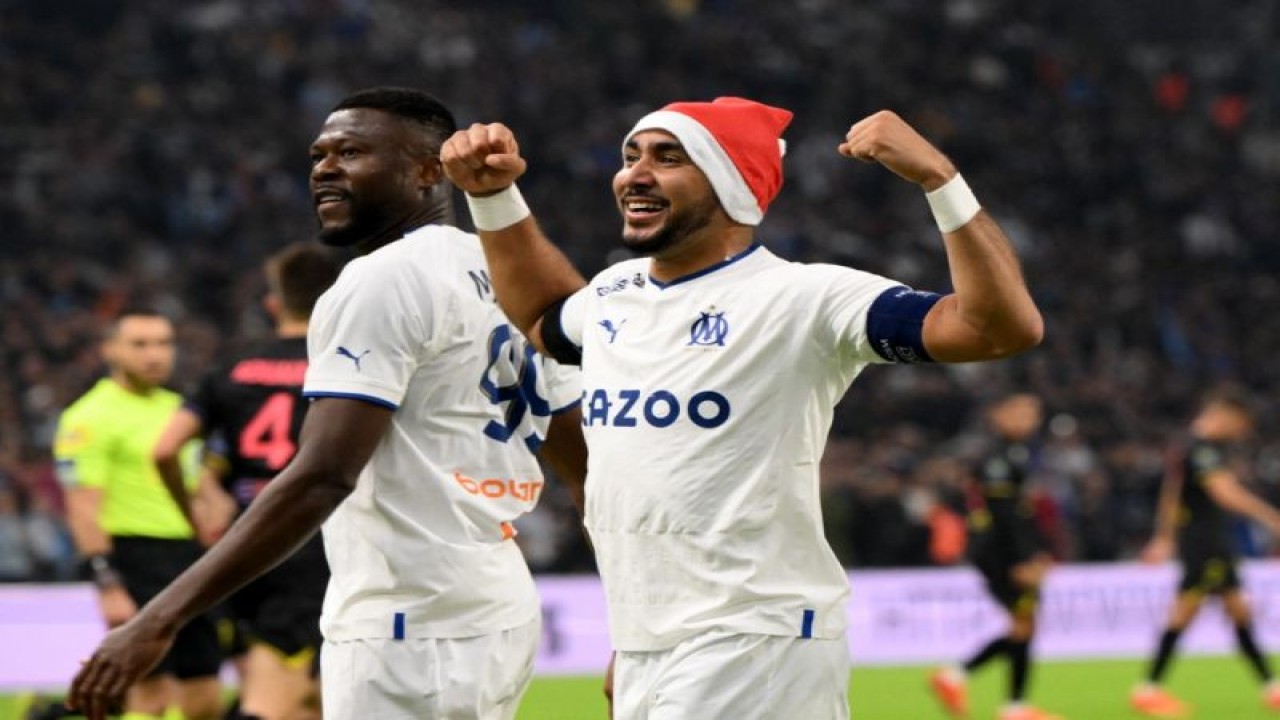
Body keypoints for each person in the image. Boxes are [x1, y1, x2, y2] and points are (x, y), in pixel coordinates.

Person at [441, 98, 1044, 719]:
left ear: (730, 181)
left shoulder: (803, 298)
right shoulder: (613, 295)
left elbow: (996, 329)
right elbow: (542, 318)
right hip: (652, 640)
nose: (635, 173)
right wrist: (493, 198)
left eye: (668, 157)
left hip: (756, 642)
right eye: (631, 156)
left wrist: (939, 180)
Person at [68, 87, 587, 720]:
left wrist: (159, 618)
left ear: (429, 171)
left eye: (353, 151)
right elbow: (580, 454)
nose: (324, 167)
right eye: (319, 154)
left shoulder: (383, 279)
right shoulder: (506, 270)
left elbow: (322, 476)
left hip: (407, 614)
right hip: (495, 598)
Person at [151, 242, 341, 720]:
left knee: (282, 683)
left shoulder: (230, 370)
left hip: (248, 540)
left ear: (273, 303)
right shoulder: (343, 367)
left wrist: (193, 510)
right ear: (335, 299)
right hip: (320, 539)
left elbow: (166, 449)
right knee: (302, 691)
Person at [54, 308, 224, 720]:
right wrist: (107, 583)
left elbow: (198, 481)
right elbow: (82, 508)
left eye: (164, 344)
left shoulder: (179, 409)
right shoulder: (88, 418)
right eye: (140, 344)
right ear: (109, 350)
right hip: (135, 557)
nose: (155, 355)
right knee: (149, 690)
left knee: (205, 688)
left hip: (190, 557)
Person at [1130, 388, 1280, 718]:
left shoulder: (1186, 445)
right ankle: (1147, 690)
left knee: (1238, 610)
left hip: (1206, 540)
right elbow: (1224, 493)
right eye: (1241, 425)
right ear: (1226, 415)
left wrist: (1164, 537)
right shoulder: (1202, 448)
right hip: (1204, 542)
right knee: (1185, 613)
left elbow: (1171, 493)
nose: (1241, 433)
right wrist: (1270, 517)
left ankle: (1272, 687)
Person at [930, 393, 1062, 720]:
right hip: (1001, 554)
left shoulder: (1017, 453)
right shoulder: (997, 458)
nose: (1029, 419)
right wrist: (1025, 558)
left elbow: (1022, 512)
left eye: (1034, 412)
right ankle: (976, 685)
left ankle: (1011, 703)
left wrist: (1040, 550)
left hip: (1007, 551)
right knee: (1023, 624)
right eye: (1020, 411)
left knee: (1024, 625)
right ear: (998, 415)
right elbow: (1004, 514)